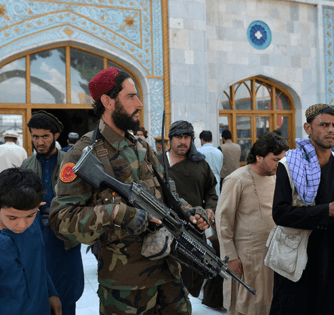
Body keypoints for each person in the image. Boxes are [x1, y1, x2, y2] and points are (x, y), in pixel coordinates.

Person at [49, 67, 209, 314]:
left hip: (169, 279)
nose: (140, 103)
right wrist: (116, 213)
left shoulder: (141, 147)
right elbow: (61, 221)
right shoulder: (82, 155)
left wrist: (189, 213)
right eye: (131, 96)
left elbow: (168, 196)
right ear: (107, 101)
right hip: (126, 290)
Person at [267, 104, 334, 315]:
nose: (331, 130)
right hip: (296, 260)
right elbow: (280, 214)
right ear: (308, 128)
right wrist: (327, 211)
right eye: (324, 124)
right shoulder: (288, 166)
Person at [0, 168, 62, 314]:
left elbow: (38, 262)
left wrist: (51, 292)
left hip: (40, 307)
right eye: (12, 218)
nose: (22, 225)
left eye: (29, 215)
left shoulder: (35, 221)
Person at [216, 132, 288, 315]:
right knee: (247, 305)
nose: (279, 164)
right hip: (246, 257)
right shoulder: (236, 179)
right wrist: (230, 257)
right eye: (275, 159)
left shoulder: (276, 178)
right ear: (259, 156)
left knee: (269, 303)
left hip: (272, 255)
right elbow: (223, 221)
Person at [21, 111, 84, 315]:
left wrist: (60, 213)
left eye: (45, 136)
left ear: (55, 136)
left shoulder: (71, 163)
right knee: (38, 298)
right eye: (35, 136)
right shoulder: (26, 166)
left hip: (65, 243)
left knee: (67, 299)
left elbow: (85, 199)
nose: (39, 142)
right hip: (36, 242)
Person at [157, 120, 217, 299]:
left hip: (193, 231)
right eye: (178, 137)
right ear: (170, 139)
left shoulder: (200, 164)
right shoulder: (157, 163)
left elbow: (211, 193)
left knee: (188, 279)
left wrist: (209, 211)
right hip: (162, 231)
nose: (182, 141)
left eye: (187, 137)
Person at [198, 130, 223, 197]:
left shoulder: (198, 152)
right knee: (216, 199)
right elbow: (220, 166)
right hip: (216, 178)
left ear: (202, 140)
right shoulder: (219, 152)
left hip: (203, 179)